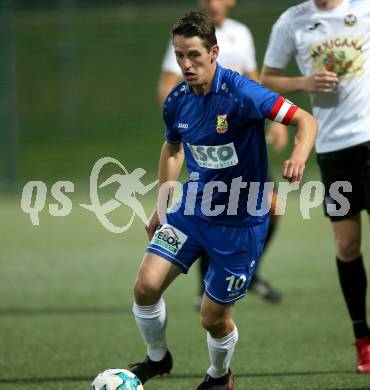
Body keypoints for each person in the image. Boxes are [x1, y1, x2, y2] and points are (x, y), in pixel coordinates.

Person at [129, 11, 317, 389]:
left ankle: (219, 376)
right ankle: (157, 359)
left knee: (212, 318)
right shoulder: (177, 100)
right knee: (145, 287)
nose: (185, 64)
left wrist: (297, 156)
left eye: (194, 55)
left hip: (240, 223)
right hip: (193, 211)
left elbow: (305, 121)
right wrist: (161, 204)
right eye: (179, 55)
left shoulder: (242, 93)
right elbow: (172, 149)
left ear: (214, 52)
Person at [261, 0, 370, 373]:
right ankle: (362, 340)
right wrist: (305, 82)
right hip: (332, 150)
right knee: (346, 245)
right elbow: (267, 77)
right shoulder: (293, 21)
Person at [158, 0, 285, 305]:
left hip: (242, 137)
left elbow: (254, 80)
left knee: (272, 206)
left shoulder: (241, 34)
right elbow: (167, 84)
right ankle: (208, 284)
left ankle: (244, 273)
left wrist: (275, 122)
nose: (213, 3)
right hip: (212, 137)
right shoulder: (189, 38)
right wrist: (188, 117)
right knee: (213, 207)